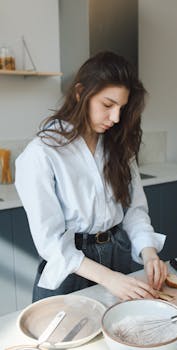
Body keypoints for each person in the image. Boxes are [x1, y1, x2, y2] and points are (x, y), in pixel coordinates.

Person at [15, 51, 167, 302]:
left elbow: (134, 210)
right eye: (108, 105)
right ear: (80, 93)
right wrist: (108, 278)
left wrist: (149, 252)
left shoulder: (118, 146)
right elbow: (50, 243)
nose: (116, 118)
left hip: (119, 253)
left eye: (122, 107)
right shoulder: (42, 153)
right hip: (72, 266)